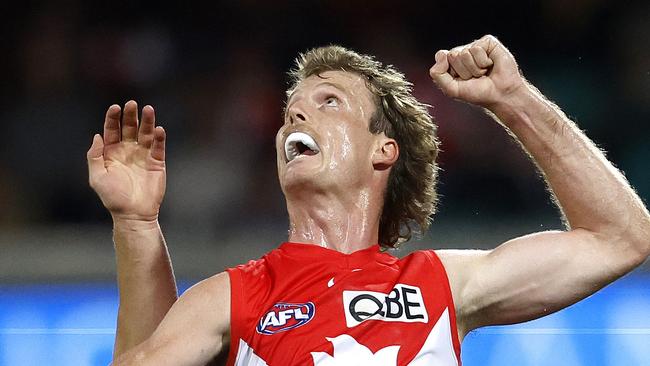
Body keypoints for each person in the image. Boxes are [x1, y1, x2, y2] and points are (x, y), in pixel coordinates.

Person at [87, 35, 650, 365]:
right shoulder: (233, 297)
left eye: (328, 102)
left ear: (384, 150)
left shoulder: (441, 285)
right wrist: (135, 224)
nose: (295, 117)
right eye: (291, 111)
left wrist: (514, 99)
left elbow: (620, 239)